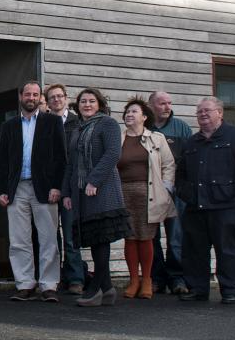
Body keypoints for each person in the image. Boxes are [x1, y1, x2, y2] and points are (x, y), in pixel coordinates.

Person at [176, 96, 235, 304]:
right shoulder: (192, 142)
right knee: (195, 250)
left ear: (220, 113)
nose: (202, 114)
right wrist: (186, 193)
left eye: (207, 110)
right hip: (196, 206)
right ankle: (197, 289)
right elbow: (181, 172)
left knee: (227, 250)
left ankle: (230, 291)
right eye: (199, 111)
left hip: (225, 205)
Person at [0, 81, 66, 302]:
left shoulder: (53, 122)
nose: (31, 97)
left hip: (45, 188)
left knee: (48, 239)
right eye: (28, 94)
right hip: (17, 188)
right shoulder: (9, 125)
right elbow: (3, 161)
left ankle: (48, 285)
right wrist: (3, 189)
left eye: (36, 94)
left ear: (40, 98)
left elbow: (60, 158)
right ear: (20, 97)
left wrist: (57, 186)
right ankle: (25, 284)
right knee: (19, 240)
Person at [63, 88, 130, 307]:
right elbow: (71, 164)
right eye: (83, 101)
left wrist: (94, 180)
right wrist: (67, 193)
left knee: (101, 238)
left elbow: (113, 154)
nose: (87, 104)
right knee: (94, 239)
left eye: (92, 101)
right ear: (77, 105)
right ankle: (108, 288)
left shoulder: (107, 124)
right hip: (81, 193)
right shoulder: (77, 130)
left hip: (102, 190)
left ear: (99, 104)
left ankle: (95, 290)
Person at [117, 97, 175, 300]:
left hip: (149, 192)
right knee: (130, 237)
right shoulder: (119, 138)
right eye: (127, 112)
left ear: (144, 116)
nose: (129, 115)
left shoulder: (156, 138)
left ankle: (147, 279)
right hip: (124, 192)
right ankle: (134, 280)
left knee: (146, 236)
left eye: (134, 111)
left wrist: (166, 187)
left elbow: (168, 165)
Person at [148, 90, 191, 295]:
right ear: (151, 106)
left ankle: (177, 278)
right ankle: (157, 278)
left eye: (169, 103)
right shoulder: (144, 127)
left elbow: (190, 158)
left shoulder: (180, 127)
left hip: (175, 191)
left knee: (176, 237)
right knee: (152, 236)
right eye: (162, 103)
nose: (167, 107)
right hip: (150, 191)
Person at [45, 83, 83, 294]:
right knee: (51, 237)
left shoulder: (77, 123)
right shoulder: (45, 123)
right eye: (52, 97)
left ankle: (76, 277)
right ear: (48, 102)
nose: (57, 100)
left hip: (70, 188)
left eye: (60, 96)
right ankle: (55, 278)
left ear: (66, 98)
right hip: (50, 187)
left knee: (70, 235)